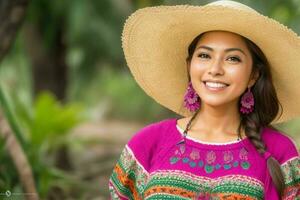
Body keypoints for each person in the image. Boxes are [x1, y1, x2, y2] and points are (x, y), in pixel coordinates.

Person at [108, 1, 300, 199]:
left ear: (254, 75)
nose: (215, 69)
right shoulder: (148, 142)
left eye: (233, 58)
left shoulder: (280, 151)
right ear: (189, 66)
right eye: (204, 55)